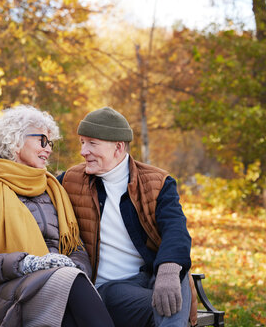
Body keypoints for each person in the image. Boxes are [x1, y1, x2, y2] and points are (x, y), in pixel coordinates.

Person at [0, 105, 114, 327]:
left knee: (71, 303)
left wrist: (72, 265)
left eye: (50, 143)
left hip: (59, 286)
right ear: (15, 141)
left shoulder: (52, 189)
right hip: (4, 293)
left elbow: (76, 249)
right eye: (42, 141)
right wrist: (28, 263)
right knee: (72, 284)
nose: (48, 149)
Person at [57, 107, 196, 327]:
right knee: (166, 304)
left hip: (148, 282)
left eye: (92, 143)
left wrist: (168, 271)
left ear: (118, 147)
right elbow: (33, 188)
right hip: (106, 291)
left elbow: (176, 231)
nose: (83, 151)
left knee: (175, 271)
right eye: (82, 142)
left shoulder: (157, 182)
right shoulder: (70, 181)